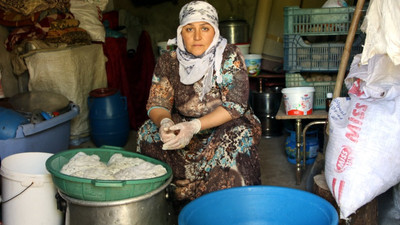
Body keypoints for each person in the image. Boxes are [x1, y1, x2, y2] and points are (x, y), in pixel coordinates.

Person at [136, 0, 261, 210]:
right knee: (147, 133)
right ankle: (166, 201)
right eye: (189, 29)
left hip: (225, 124)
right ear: (180, 32)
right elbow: (158, 101)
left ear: (214, 31)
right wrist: (165, 122)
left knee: (239, 136)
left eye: (204, 28)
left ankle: (221, 204)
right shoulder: (169, 60)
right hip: (183, 125)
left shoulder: (228, 56)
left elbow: (235, 106)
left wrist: (194, 127)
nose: (196, 36)